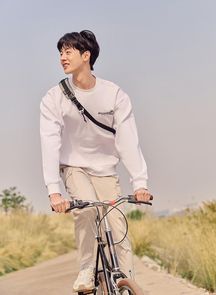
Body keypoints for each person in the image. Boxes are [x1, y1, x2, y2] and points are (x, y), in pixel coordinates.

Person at [40, 30, 152, 293]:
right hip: (74, 167)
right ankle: (87, 269)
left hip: (105, 169)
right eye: (60, 53)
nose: (62, 57)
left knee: (118, 222)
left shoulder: (114, 95)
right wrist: (54, 191)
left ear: (86, 55)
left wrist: (140, 183)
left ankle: (126, 281)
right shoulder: (53, 98)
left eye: (68, 51)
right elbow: (49, 144)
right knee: (88, 210)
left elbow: (128, 141)